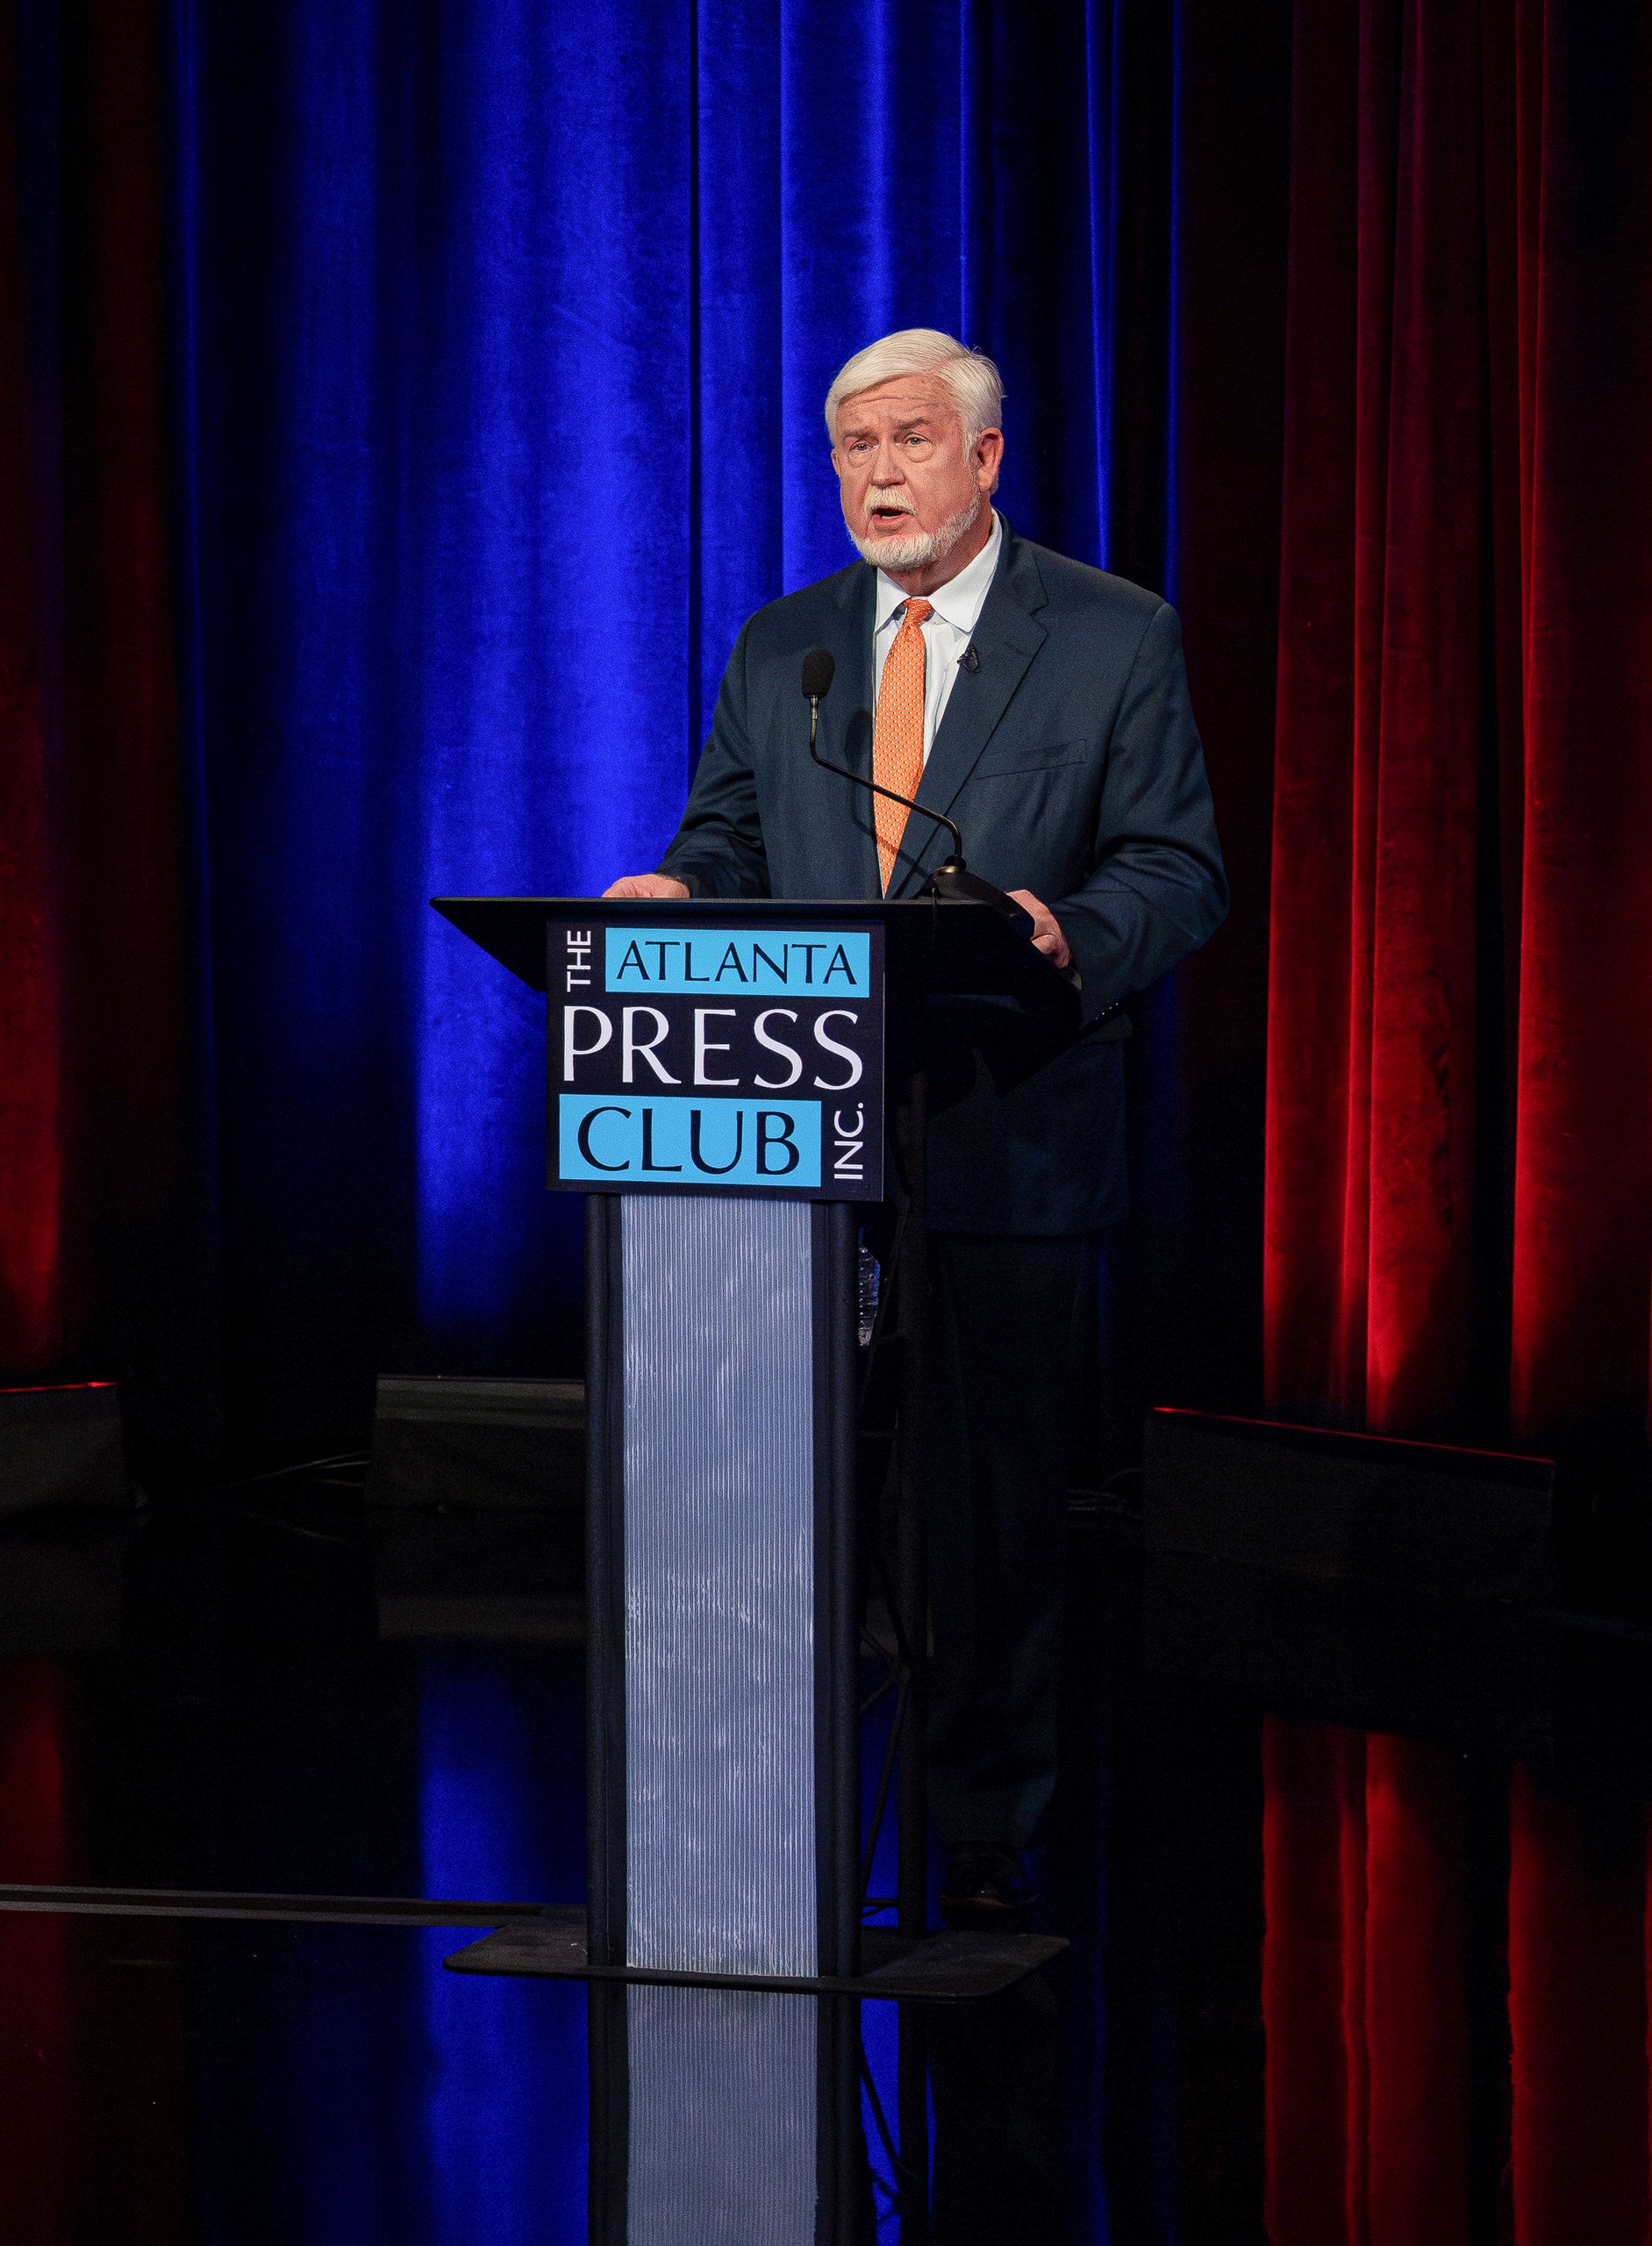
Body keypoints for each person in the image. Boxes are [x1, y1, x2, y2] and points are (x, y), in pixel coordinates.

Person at [603, 327, 1226, 1921]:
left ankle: (989, 1832)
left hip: (1006, 1132)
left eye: (908, 444)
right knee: (783, 1496)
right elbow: (728, 839)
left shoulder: (1108, 635)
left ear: (986, 457)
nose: (878, 477)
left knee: (992, 1510)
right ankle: (762, 1813)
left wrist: (1060, 932)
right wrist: (677, 894)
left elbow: (1176, 869)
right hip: (796, 1136)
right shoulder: (788, 645)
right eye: (852, 451)